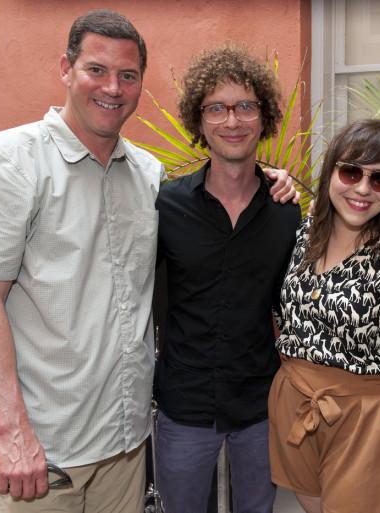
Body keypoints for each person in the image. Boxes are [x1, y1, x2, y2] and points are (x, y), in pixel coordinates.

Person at [0, 10, 295, 512]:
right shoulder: (8, 163)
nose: (112, 87)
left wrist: (273, 179)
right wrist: (12, 430)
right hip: (41, 444)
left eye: (127, 75)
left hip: (122, 442)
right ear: (66, 69)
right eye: (96, 69)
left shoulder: (146, 176)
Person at [269, 119, 380, 513]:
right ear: (330, 171)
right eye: (350, 172)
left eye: (379, 179)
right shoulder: (302, 237)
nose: (363, 189)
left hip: (363, 424)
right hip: (295, 408)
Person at [153, 43, 301, 513]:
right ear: (199, 121)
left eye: (245, 107)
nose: (232, 121)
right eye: (216, 108)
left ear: (264, 116)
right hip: (184, 403)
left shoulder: (287, 212)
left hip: (259, 404)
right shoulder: (166, 205)